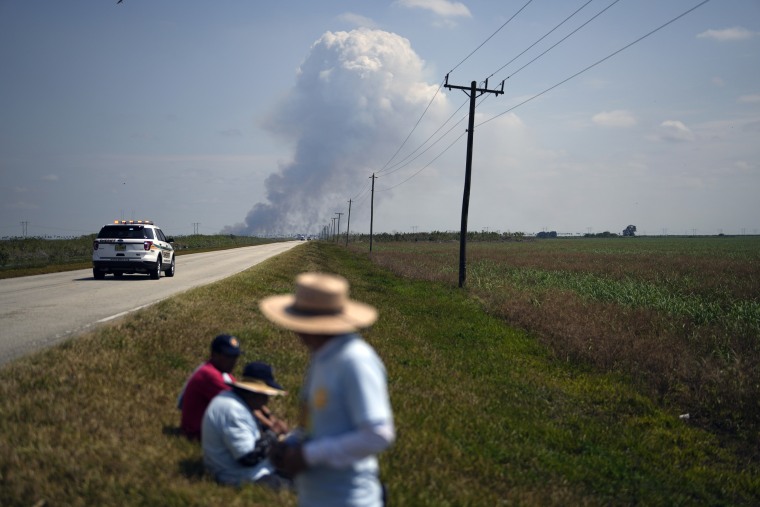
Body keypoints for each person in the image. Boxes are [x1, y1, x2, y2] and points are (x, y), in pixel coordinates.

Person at [261, 272, 395, 507]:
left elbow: (378, 434)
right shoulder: (321, 358)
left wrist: (308, 455)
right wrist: (289, 444)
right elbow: (319, 427)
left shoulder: (355, 360)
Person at [201, 361, 290, 488]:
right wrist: (273, 434)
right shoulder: (234, 411)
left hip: (249, 471)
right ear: (253, 394)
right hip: (243, 477)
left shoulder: (233, 401)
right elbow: (249, 458)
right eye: (265, 396)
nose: (266, 401)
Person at [179, 334, 241, 440]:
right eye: (228, 356)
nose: (233, 361)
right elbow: (241, 401)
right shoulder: (210, 375)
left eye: (235, 357)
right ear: (214, 355)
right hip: (197, 433)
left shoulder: (222, 372)